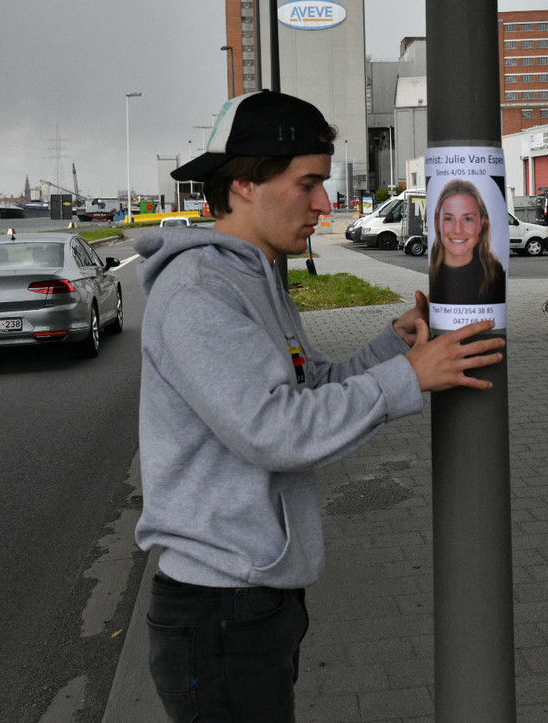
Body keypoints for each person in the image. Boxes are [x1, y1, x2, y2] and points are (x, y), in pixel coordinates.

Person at [134, 90, 504, 723]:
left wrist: (395, 347)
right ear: (245, 182)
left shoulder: (255, 277)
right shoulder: (199, 291)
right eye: (307, 183)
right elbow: (274, 430)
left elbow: (305, 390)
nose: (325, 204)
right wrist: (408, 378)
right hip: (218, 608)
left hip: (254, 597)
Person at [428, 178, 506, 306]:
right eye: (449, 219)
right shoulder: (432, 273)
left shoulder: (495, 275)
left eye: (468, 219)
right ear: (437, 222)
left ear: (482, 223)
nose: (458, 230)